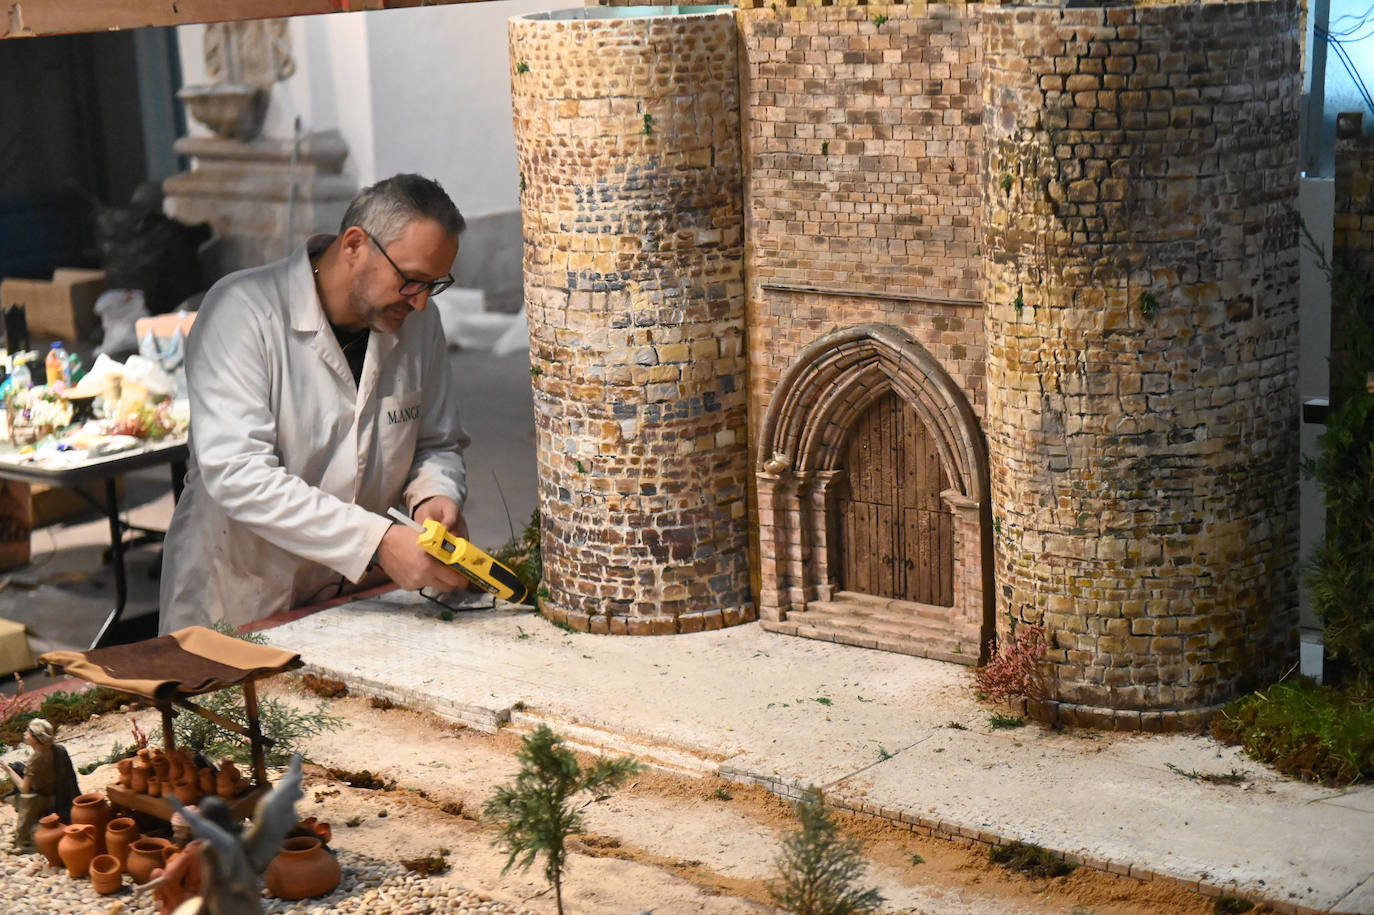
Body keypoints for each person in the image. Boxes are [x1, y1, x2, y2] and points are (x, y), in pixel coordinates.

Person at [159, 174, 473, 634]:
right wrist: (377, 541)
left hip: (352, 601)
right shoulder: (242, 312)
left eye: (434, 285)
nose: (421, 302)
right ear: (353, 246)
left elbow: (436, 441)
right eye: (411, 280)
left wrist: (435, 495)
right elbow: (238, 473)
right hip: (239, 596)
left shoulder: (420, 326)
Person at [1, 718, 80, 852]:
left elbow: (24, 789)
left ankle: (22, 840)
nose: (25, 733)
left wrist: (8, 770)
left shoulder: (35, 759)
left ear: (36, 737)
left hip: (43, 799)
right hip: (61, 797)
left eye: (28, 731)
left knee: (22, 798)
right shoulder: (58, 750)